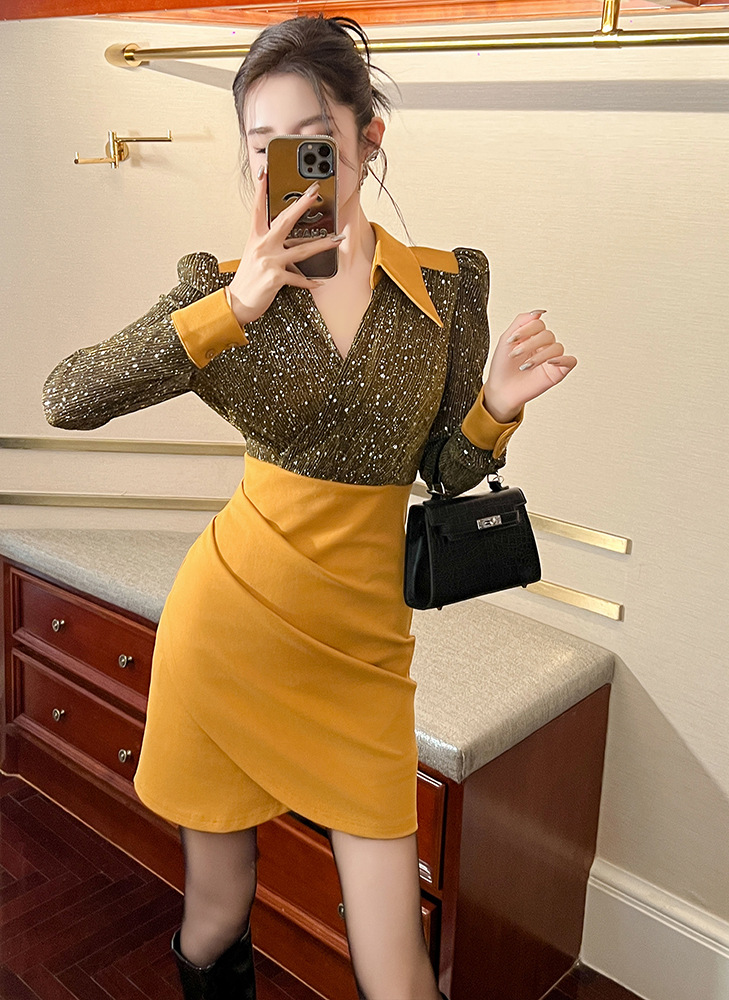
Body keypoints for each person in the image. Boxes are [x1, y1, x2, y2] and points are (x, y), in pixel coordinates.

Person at [43, 14, 577, 1000]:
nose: (286, 167)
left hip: (363, 656)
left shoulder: (448, 292)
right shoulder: (221, 289)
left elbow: (442, 472)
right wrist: (232, 308)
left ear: (369, 139)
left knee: (396, 965)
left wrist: (496, 407)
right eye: (264, 147)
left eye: (313, 140)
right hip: (229, 630)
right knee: (215, 916)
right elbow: (67, 397)